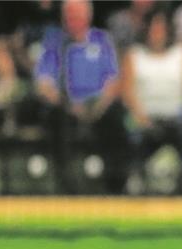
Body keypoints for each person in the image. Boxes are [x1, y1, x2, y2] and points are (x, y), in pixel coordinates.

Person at [34, 0, 128, 194]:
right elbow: (43, 84)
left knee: (118, 117)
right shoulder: (54, 43)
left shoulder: (102, 40)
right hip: (65, 105)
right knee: (55, 118)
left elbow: (114, 81)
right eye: (69, 15)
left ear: (88, 17)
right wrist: (68, 105)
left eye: (77, 15)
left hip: (99, 105)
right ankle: (68, 186)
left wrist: (97, 107)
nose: (73, 20)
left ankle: (116, 184)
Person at [121, 7, 182, 194]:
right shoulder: (134, 55)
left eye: (161, 29)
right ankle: (134, 175)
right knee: (129, 125)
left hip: (177, 116)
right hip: (143, 116)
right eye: (153, 28)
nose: (156, 34)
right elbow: (127, 91)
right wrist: (140, 115)